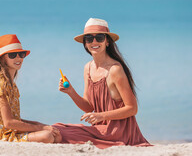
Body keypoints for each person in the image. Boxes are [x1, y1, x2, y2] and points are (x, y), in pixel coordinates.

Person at [53, 18, 151, 149]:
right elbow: (88, 107)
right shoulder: (88, 68)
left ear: (107, 42)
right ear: (85, 43)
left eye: (99, 37)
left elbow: (132, 108)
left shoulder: (115, 70)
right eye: (89, 38)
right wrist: (71, 92)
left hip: (118, 133)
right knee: (57, 127)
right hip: (100, 130)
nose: (94, 42)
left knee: (60, 133)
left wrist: (101, 116)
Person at [0, 34, 62, 143]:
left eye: (21, 54)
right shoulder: (1, 83)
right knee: (47, 136)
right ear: (2, 59)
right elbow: (8, 123)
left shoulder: (12, 85)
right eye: (12, 55)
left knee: (56, 135)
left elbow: (15, 119)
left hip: (11, 130)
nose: (18, 58)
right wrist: (41, 128)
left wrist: (40, 124)